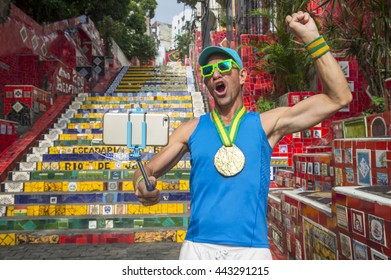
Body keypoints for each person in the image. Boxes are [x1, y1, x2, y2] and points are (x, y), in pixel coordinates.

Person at [132, 11, 352, 260]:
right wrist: (142, 184)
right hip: (197, 250)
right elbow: (145, 170)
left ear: (243, 76)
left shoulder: (267, 123)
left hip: (251, 252)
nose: (216, 74)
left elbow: (339, 97)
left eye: (224, 67)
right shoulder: (190, 129)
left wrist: (313, 38)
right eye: (208, 70)